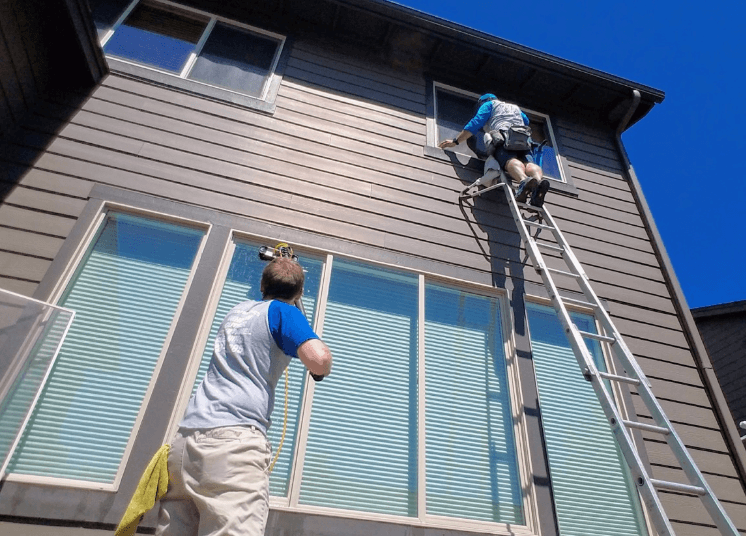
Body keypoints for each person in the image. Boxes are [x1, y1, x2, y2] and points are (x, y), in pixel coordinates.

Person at [155, 257, 333, 536]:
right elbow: (319, 361)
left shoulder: (236, 312)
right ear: (298, 293)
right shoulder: (283, 313)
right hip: (230, 448)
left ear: (262, 285)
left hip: (184, 447)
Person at [439, 93, 551, 207]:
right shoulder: (515, 108)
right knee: (529, 163)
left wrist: (456, 141)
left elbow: (476, 122)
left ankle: (523, 181)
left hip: (505, 137)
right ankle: (538, 182)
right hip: (525, 139)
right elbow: (526, 121)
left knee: (509, 160)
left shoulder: (489, 105)